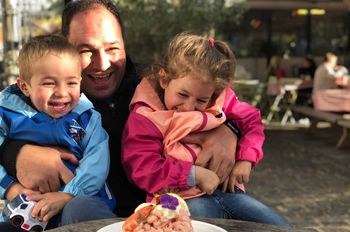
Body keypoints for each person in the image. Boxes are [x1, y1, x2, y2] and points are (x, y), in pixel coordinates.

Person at [0, 0, 238, 220]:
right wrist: (14, 153)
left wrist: (229, 129)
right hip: (64, 217)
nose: (102, 63)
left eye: (112, 48)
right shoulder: (28, 98)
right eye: (86, 50)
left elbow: (221, 99)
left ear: (125, 43)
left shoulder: (156, 87)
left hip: (170, 207)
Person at [122, 33, 290, 226]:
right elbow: (142, 167)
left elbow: (251, 120)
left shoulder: (218, 99)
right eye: (182, 94)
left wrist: (246, 158)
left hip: (227, 191)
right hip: (173, 200)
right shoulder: (145, 116)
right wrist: (194, 175)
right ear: (164, 80)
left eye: (201, 100)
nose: (189, 107)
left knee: (280, 229)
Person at [0, 34, 115, 232]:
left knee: (82, 210)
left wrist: (68, 194)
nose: (62, 92)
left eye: (71, 83)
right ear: (25, 86)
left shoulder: (86, 118)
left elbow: (96, 161)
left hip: (75, 201)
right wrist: (12, 189)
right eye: (49, 83)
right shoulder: (7, 115)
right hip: (25, 209)